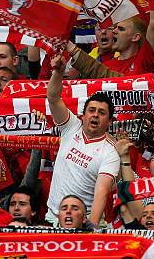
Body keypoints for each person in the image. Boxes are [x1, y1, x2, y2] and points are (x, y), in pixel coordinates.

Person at [46, 53, 120, 226]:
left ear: (109, 122)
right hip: (53, 218)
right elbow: (53, 97)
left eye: (101, 113)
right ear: (82, 115)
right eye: (91, 110)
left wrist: (91, 227)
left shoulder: (110, 152)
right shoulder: (72, 126)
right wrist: (58, 72)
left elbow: (101, 191)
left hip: (82, 223)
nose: (95, 115)